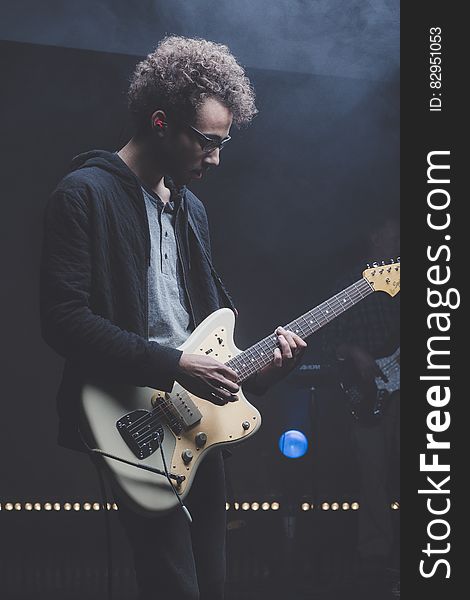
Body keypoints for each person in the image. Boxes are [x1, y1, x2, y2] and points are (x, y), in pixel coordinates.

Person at [40, 35, 307, 600]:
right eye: (207, 143)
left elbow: (209, 332)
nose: (216, 158)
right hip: (130, 420)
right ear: (161, 123)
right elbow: (63, 320)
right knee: (173, 586)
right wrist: (173, 364)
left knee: (212, 583)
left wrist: (261, 373)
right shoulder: (82, 194)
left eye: (223, 143)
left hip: (195, 422)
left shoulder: (192, 210)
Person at [321, 216, 400, 596]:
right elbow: (327, 340)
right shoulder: (349, 284)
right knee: (373, 475)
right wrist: (354, 352)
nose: (399, 238)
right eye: (392, 231)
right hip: (369, 392)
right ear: (374, 235)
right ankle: (375, 558)